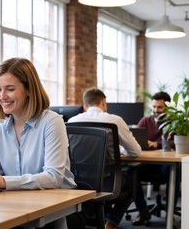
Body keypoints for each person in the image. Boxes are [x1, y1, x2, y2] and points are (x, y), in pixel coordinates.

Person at [0, 58, 76, 228]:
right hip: (12, 206)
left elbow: (53, 177)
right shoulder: (0, 128)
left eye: (10, 89)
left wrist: (4, 182)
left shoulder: (52, 122)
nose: (2, 96)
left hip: (51, 209)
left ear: (29, 90)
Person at [68, 87, 141, 229]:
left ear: (84, 105)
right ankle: (111, 223)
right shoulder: (115, 120)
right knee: (132, 181)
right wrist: (120, 149)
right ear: (103, 102)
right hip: (107, 182)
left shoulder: (71, 120)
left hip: (77, 181)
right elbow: (135, 151)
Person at [130, 91, 172, 225]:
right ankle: (143, 211)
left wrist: (157, 144)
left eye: (159, 107)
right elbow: (133, 138)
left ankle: (170, 216)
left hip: (166, 163)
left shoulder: (175, 123)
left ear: (168, 108)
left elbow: (174, 142)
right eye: (154, 107)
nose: (155, 110)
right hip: (148, 162)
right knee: (130, 173)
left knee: (173, 172)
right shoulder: (145, 121)